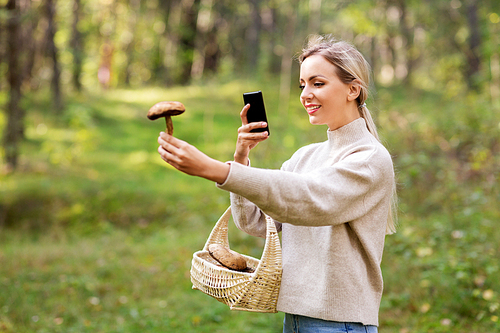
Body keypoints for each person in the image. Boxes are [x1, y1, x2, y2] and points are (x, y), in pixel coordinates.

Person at [157, 34, 397, 333]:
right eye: (303, 85)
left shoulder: (369, 158)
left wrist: (218, 170)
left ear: (353, 89)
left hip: (341, 324)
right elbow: (255, 222)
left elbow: (308, 199)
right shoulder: (306, 156)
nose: (305, 94)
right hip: (294, 319)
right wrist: (241, 157)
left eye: (317, 83)